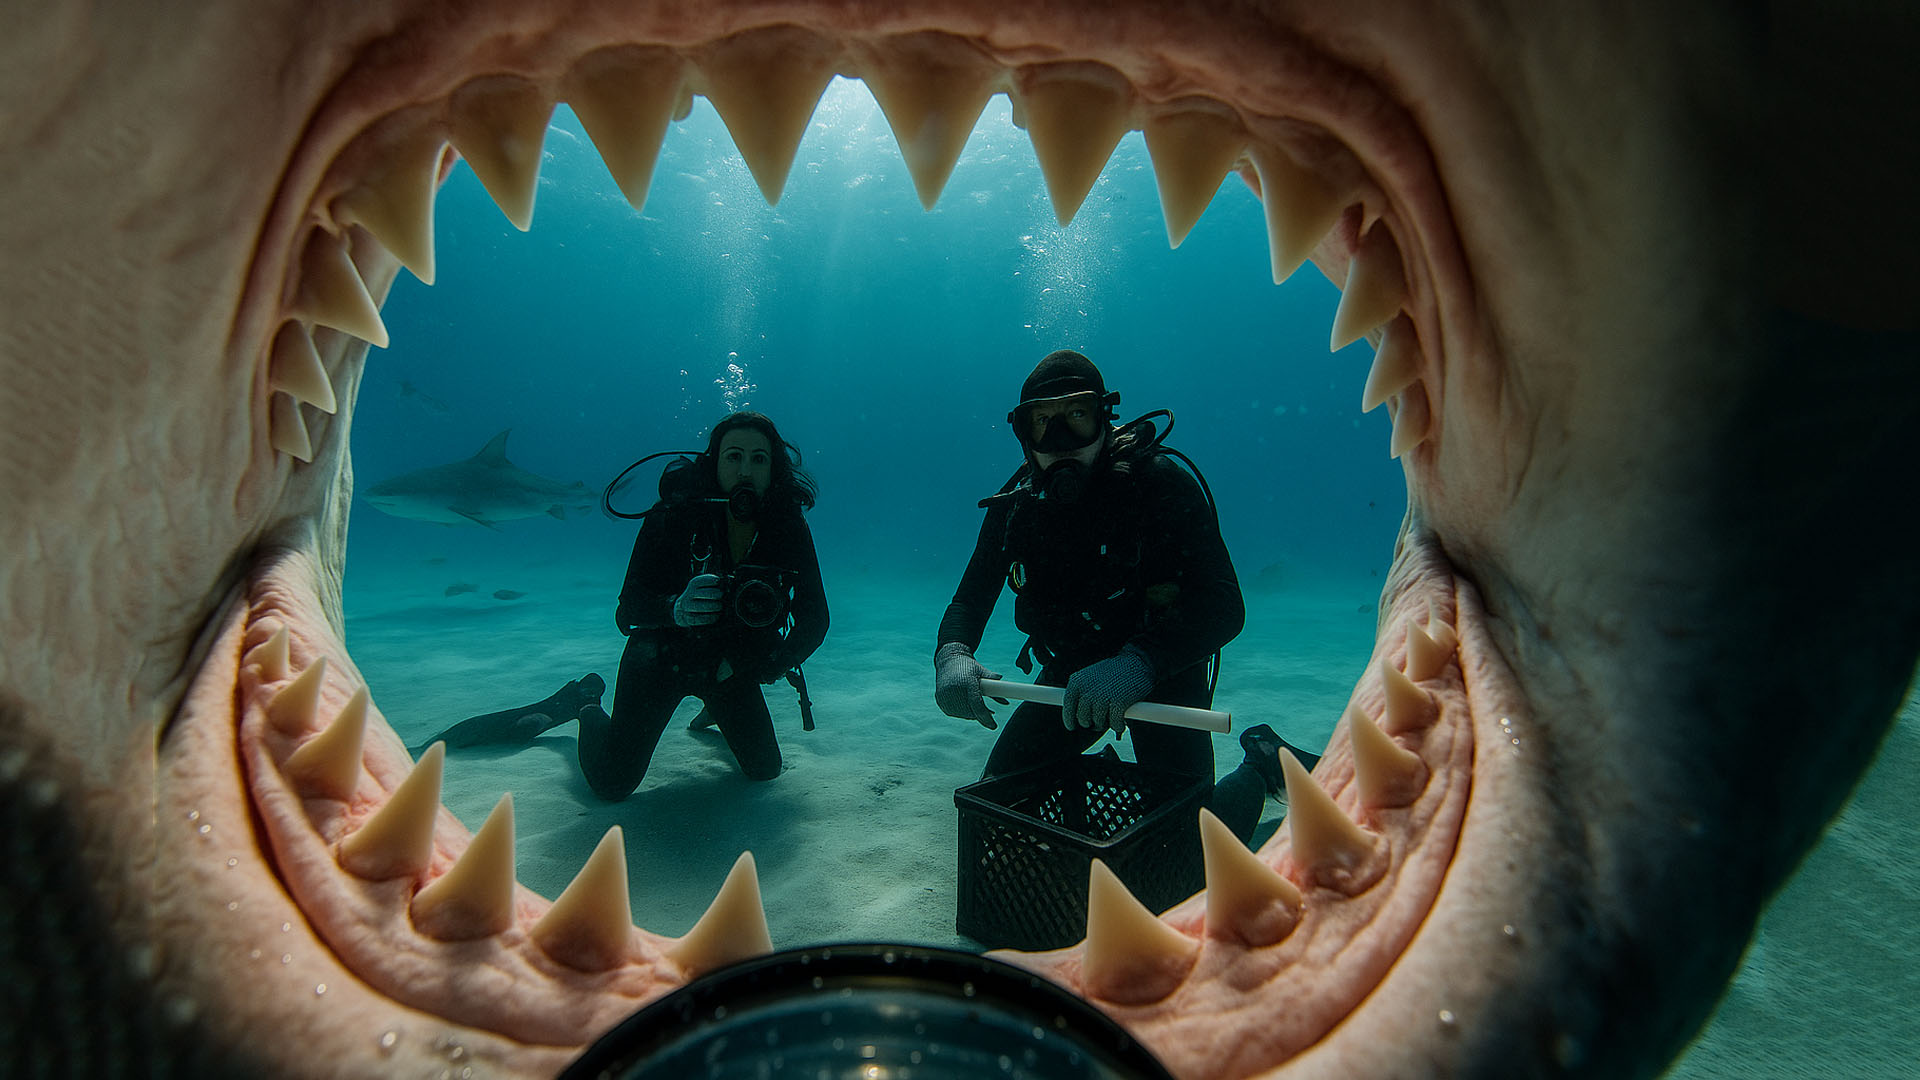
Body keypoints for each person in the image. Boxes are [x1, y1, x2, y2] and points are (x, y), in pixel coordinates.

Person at [933, 350, 1297, 843]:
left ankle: (1260, 765)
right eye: (1042, 422)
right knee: (1002, 798)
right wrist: (953, 654)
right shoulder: (1016, 508)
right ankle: (1089, 771)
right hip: (1074, 676)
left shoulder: (1161, 486)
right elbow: (970, 599)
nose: (1060, 442)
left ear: (1105, 420)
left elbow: (1223, 604)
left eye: (1077, 417)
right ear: (1023, 433)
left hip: (1163, 674)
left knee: (1191, 851)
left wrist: (1139, 663)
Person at [576, 412, 828, 800]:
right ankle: (585, 703)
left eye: (759, 459)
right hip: (659, 660)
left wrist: (764, 665)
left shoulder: (787, 526)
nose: (746, 470)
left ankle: (717, 709)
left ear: (773, 466)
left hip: (730, 667)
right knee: (613, 784)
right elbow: (627, 612)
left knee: (765, 771)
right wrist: (673, 608)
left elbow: (815, 618)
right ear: (715, 461)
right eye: (734, 457)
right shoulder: (673, 514)